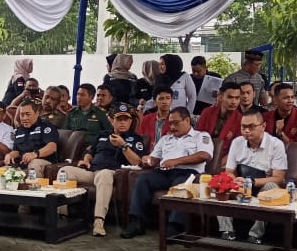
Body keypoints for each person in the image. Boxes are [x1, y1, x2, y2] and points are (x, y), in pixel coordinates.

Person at [121, 107, 213, 239]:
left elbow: (204, 155)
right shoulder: (165, 139)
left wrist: (176, 161)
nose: (172, 127)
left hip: (188, 172)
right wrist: (148, 160)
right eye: (170, 123)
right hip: (164, 172)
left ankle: (175, 226)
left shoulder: (201, 136)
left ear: (187, 120)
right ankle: (136, 222)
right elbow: (154, 159)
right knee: (142, 180)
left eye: (176, 123)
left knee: (180, 186)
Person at [58, 103, 146, 237]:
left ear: (130, 121)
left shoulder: (135, 139)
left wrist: (123, 145)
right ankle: (62, 216)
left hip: (112, 174)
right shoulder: (102, 135)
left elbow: (137, 162)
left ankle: (99, 221)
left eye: (126, 119)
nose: (123, 123)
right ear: (111, 120)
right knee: (64, 171)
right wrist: (86, 160)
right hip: (92, 171)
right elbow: (90, 151)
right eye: (119, 119)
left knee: (104, 174)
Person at [218, 109, 287, 244]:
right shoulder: (237, 142)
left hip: (262, 186)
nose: (247, 131)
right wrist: (233, 180)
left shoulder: (276, 144)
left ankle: (255, 235)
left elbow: (278, 178)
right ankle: (227, 231)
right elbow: (229, 171)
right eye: (243, 127)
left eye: (251, 127)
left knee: (272, 186)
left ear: (263, 126)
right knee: (222, 183)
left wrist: (251, 181)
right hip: (241, 186)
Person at [4, 99, 59, 180]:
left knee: (34, 165)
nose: (24, 118)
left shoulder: (46, 126)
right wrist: (10, 155)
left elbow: (52, 147)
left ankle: (35, 187)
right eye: (22, 115)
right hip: (23, 164)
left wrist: (34, 154)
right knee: (1, 173)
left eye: (28, 114)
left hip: (42, 161)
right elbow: (17, 151)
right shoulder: (19, 130)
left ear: (37, 113)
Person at [195, 82, 242, 165]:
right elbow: (198, 135)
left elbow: (238, 147)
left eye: (237, 98)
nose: (234, 102)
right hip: (202, 154)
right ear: (220, 96)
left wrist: (220, 164)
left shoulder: (240, 119)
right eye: (230, 97)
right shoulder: (207, 112)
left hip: (225, 160)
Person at [64, 83, 112, 147]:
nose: (79, 97)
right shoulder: (71, 113)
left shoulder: (100, 113)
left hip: (92, 147)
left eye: (82, 95)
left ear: (91, 97)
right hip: (73, 146)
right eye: (78, 94)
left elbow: (108, 133)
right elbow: (65, 133)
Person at [137, 86, 172, 152]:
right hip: (147, 154)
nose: (165, 101)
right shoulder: (146, 119)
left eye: (168, 98)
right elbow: (139, 140)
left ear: (171, 100)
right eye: (161, 99)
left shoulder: (176, 120)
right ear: (155, 101)